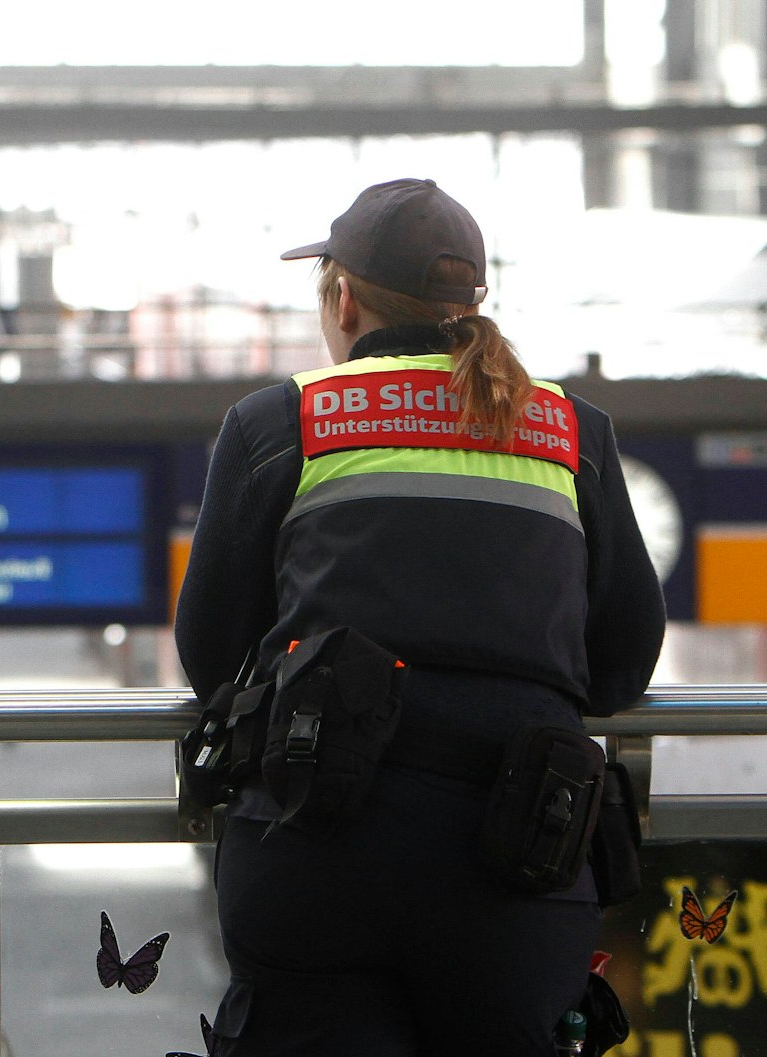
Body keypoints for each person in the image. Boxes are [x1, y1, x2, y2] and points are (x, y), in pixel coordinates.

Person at [174, 178, 665, 1056]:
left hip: (314, 849)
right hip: (518, 857)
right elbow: (623, 663)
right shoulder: (571, 430)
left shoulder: (280, 424)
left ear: (344, 298)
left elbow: (211, 652)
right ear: (471, 303)